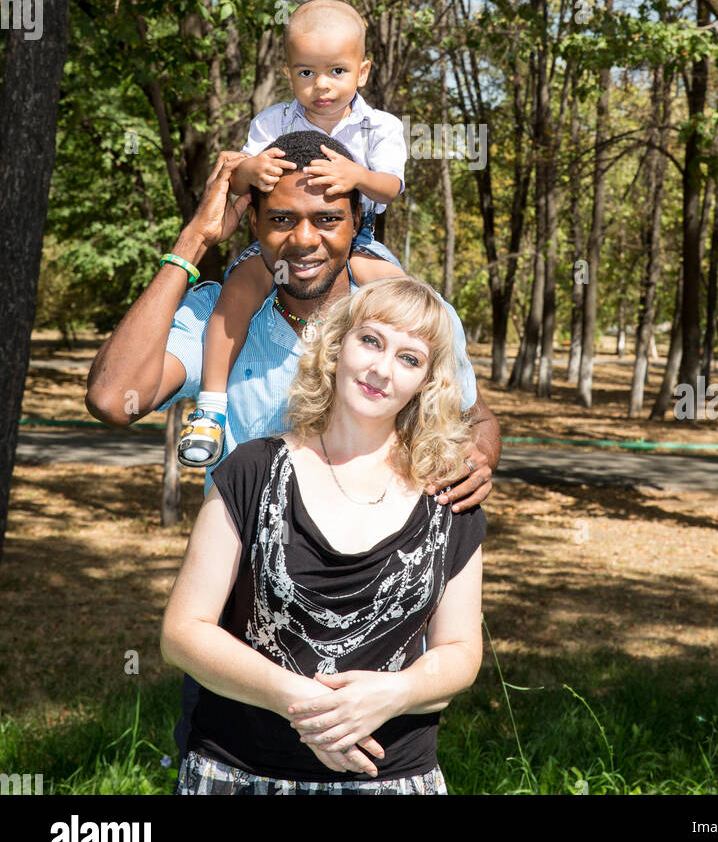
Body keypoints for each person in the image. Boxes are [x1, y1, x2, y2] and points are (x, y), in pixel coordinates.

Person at [85, 133, 500, 753]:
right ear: (251, 220)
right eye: (279, 219)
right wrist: (194, 240)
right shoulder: (216, 318)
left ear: (358, 219)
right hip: (240, 651)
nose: (303, 240)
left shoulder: (398, 322)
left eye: (329, 218)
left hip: (381, 656)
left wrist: (481, 455)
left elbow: (475, 414)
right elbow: (113, 397)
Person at [160, 276, 485, 794]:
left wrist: (394, 693)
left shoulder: (448, 495)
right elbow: (183, 633)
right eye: (371, 341)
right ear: (336, 347)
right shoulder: (251, 470)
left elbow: (462, 650)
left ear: (427, 382)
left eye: (410, 358)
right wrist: (309, 706)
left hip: (392, 777)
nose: (381, 369)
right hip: (241, 772)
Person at [179, 0, 407, 469]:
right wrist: (251, 169)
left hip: (356, 240)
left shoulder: (380, 126)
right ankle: (212, 410)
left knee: (403, 303)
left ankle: (414, 413)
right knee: (239, 290)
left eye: (337, 71)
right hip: (280, 239)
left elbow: (390, 188)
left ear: (362, 71)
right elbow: (237, 181)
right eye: (306, 72)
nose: (321, 85)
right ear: (288, 74)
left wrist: (355, 175)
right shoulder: (272, 122)